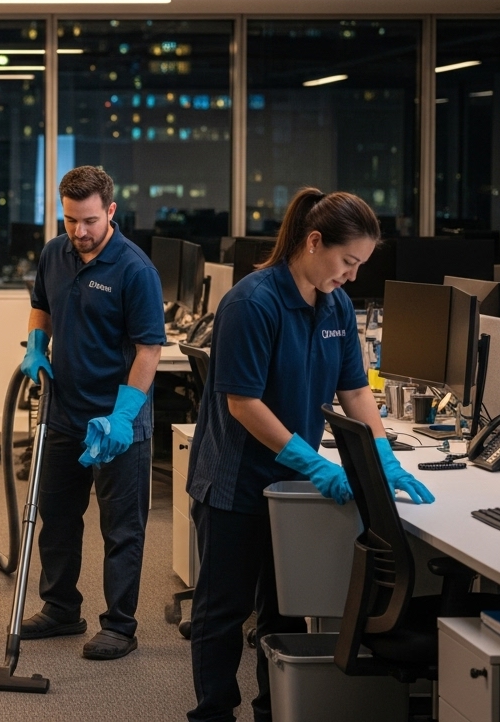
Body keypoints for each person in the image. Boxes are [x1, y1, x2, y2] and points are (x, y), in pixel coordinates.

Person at [185, 188, 435, 722]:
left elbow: (356, 390)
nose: (352, 276)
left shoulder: (336, 305)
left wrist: (383, 455)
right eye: (348, 262)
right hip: (235, 480)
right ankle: (212, 713)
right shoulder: (253, 302)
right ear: (314, 241)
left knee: (283, 610)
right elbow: (242, 403)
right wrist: (317, 463)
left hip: (291, 485)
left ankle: (273, 710)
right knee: (222, 611)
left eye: (360, 265)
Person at [17, 165, 166, 660]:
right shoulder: (54, 254)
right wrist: (37, 345)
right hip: (63, 412)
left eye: (89, 222)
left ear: (111, 213)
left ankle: (120, 625)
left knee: (121, 527)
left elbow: (149, 350)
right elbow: (42, 304)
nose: (79, 232)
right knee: (57, 517)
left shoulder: (135, 270)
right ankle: (61, 608)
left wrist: (123, 418)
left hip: (118, 422)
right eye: (69, 221)